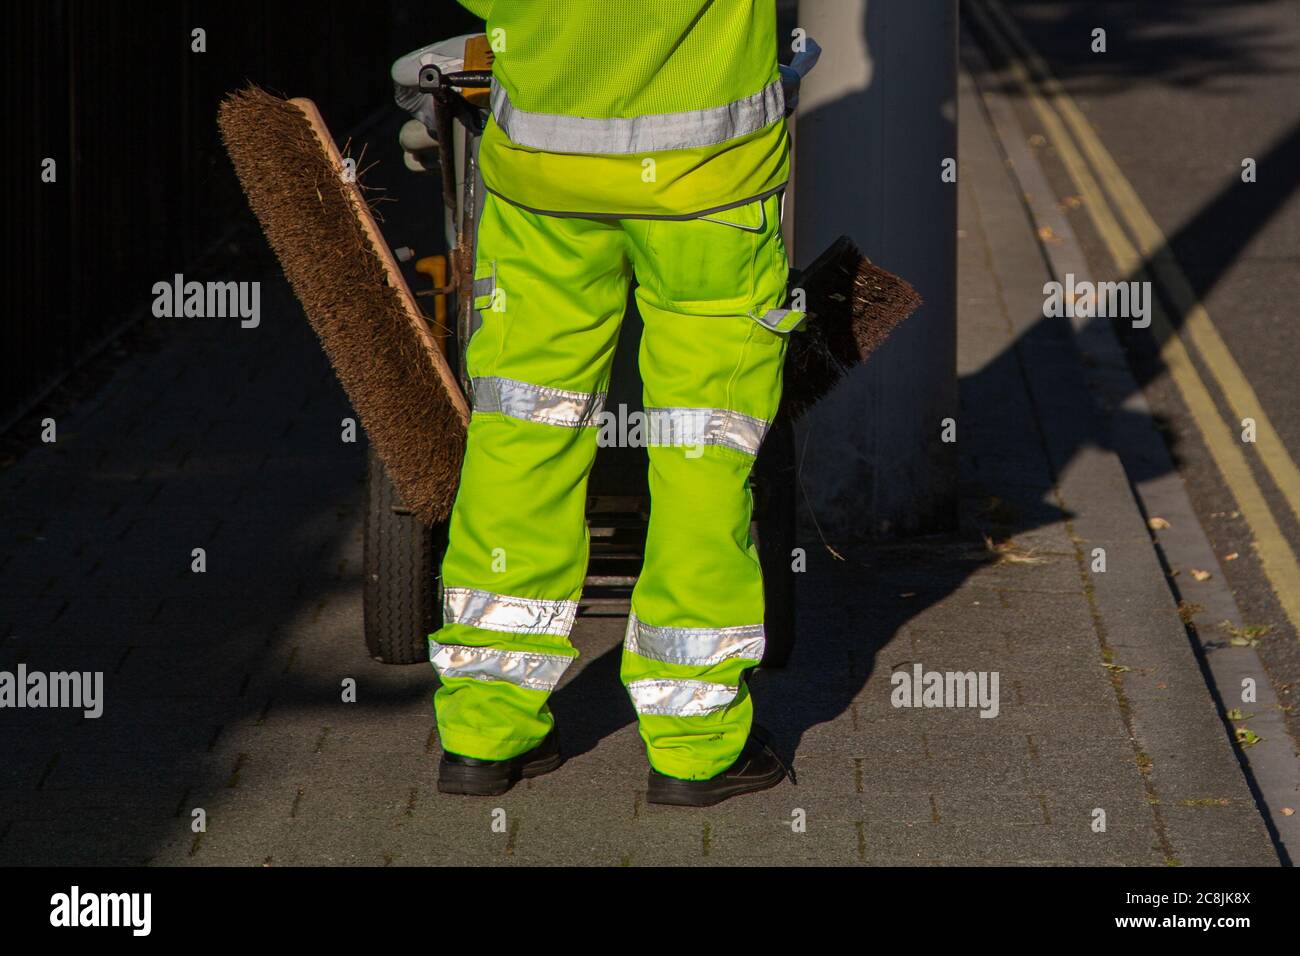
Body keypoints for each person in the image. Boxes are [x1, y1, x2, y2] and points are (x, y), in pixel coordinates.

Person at [431, 0, 803, 806]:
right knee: (703, 447)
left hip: (543, 177)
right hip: (713, 181)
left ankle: (485, 731)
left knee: (523, 430)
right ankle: (696, 746)